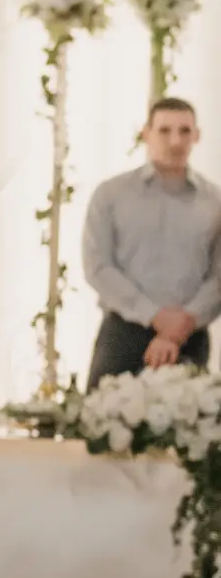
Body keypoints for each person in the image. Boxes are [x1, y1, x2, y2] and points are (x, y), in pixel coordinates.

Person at [83, 97, 221, 389]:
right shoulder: (111, 195)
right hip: (123, 333)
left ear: (197, 136)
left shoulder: (214, 202)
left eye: (184, 131)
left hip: (190, 336)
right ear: (146, 133)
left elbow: (218, 277)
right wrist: (155, 316)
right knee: (101, 416)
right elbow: (98, 266)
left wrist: (179, 327)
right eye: (164, 130)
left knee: (190, 418)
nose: (175, 141)